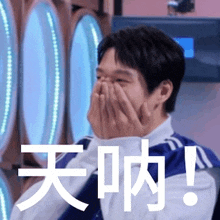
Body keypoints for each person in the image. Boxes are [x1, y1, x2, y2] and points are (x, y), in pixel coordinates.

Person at [10, 26, 220, 220]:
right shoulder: (84, 150)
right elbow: (23, 215)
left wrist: (122, 145)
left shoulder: (189, 163)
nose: (103, 92)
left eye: (120, 81)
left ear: (162, 92)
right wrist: (96, 151)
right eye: (100, 78)